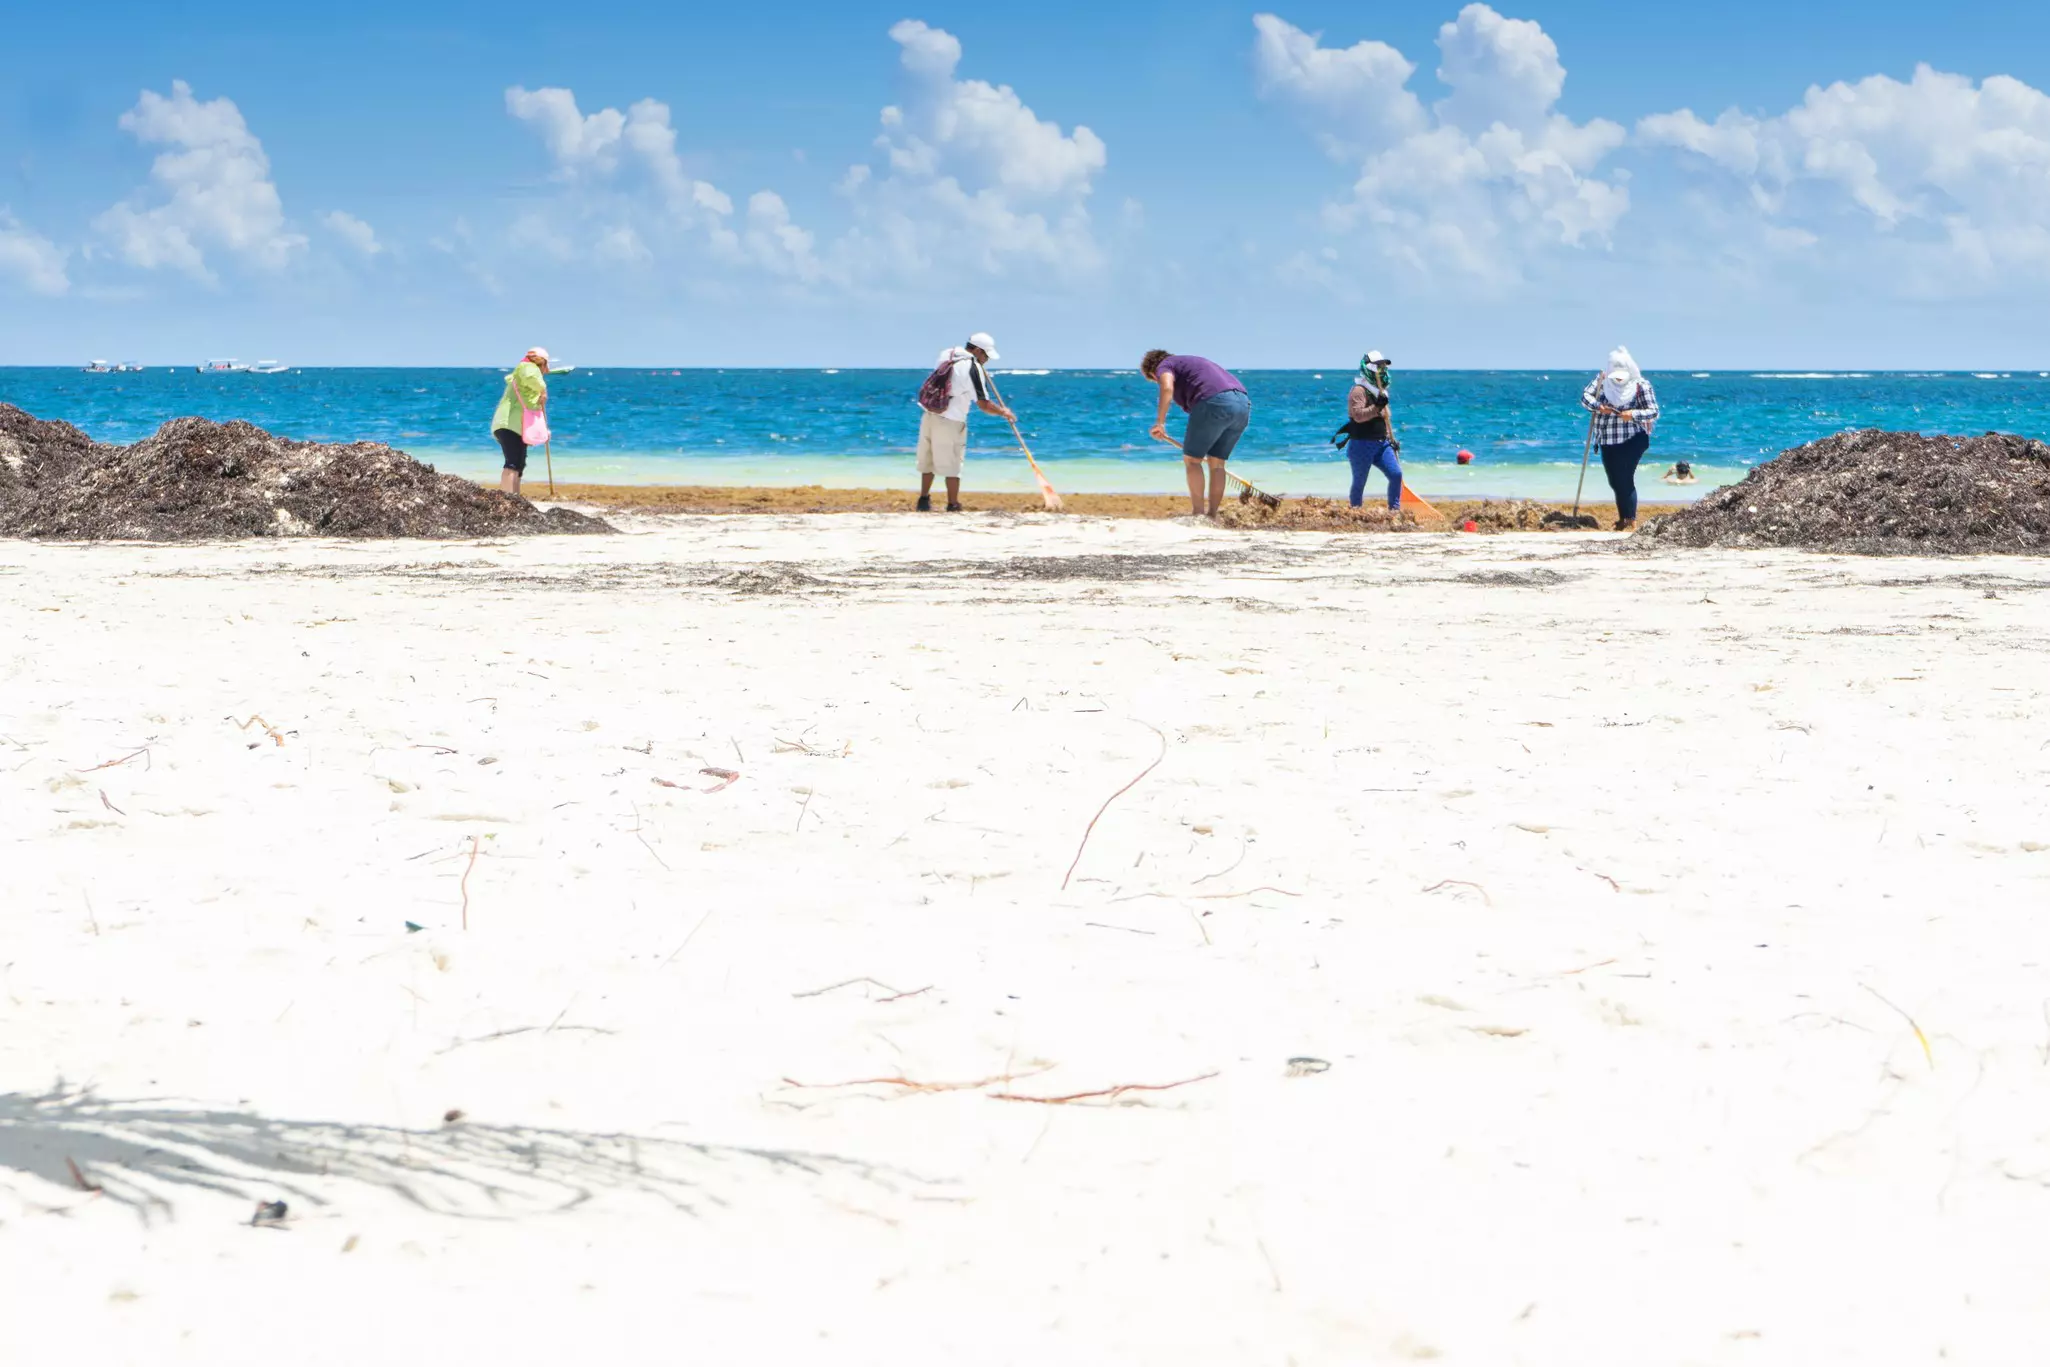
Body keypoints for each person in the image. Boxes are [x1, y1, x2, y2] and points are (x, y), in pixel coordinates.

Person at [1141, 349, 1251, 517]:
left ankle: (1198, 514)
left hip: (1214, 402)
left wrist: (1160, 423)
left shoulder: (1165, 365)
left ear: (1153, 372)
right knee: (1217, 463)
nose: (1157, 380)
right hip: (1242, 404)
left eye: (1155, 379)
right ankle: (1212, 515)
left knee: (1192, 460)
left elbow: (1167, 388)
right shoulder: (1190, 363)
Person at [914, 332, 1013, 512]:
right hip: (952, 419)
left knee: (927, 459)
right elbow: (983, 404)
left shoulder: (948, 354)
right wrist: (1003, 412)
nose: (986, 360)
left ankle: (923, 500)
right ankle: (953, 504)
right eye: (985, 356)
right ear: (976, 350)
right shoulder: (973, 367)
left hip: (929, 413)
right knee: (953, 464)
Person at [1579, 347, 1661, 530]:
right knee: (1614, 480)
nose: (1617, 378)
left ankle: (1630, 520)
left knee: (1625, 477)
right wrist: (1599, 407)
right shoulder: (1601, 381)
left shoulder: (1641, 385)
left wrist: (1633, 414)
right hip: (1607, 440)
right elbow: (1585, 398)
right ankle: (1623, 518)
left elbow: (1653, 412)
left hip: (1633, 439)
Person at [1341, 350, 1402, 510]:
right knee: (1360, 482)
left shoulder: (1381, 392)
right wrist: (1377, 407)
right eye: (1379, 366)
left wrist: (1391, 439)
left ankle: (1394, 511)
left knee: (1396, 474)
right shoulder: (1358, 391)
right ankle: (1355, 512)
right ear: (1369, 368)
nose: (1382, 369)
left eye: (1383, 366)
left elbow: (1385, 418)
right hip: (1361, 444)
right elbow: (1358, 415)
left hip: (1382, 444)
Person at [490, 347, 551, 496]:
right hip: (509, 424)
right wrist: (543, 389)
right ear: (540, 363)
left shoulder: (525, 379)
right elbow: (531, 376)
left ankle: (515, 500)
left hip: (516, 426)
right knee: (512, 463)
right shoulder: (527, 368)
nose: (547, 371)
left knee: (519, 464)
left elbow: (530, 407)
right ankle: (506, 500)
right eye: (545, 366)